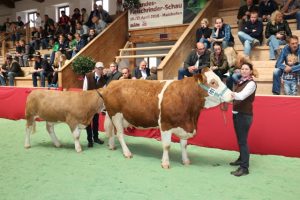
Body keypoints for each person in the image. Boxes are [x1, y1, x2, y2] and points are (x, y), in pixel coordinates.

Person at [230, 62, 257, 177]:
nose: (244, 71)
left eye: (247, 69)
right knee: (240, 139)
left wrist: (229, 93)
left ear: (251, 71)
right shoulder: (240, 82)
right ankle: (241, 159)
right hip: (237, 114)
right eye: (242, 69)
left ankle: (244, 168)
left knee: (243, 141)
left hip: (244, 115)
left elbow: (241, 96)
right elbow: (236, 97)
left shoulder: (251, 83)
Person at [82, 62, 107, 147]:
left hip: (97, 105)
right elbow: (84, 90)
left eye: (101, 69)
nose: (100, 70)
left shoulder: (104, 79)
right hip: (88, 104)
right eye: (98, 68)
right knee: (88, 122)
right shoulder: (88, 76)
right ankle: (90, 140)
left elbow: (104, 93)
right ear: (95, 68)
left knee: (96, 122)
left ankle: (96, 138)